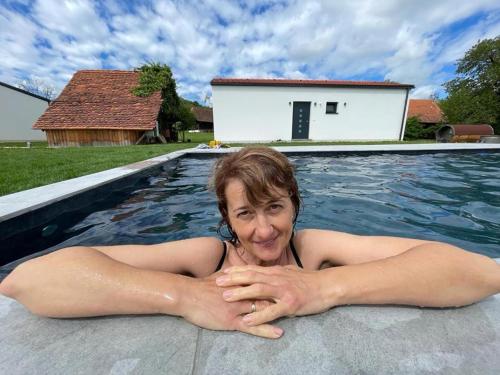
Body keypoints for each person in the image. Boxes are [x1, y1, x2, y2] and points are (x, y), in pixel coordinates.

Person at [0, 146, 499, 339]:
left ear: (295, 207)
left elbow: (479, 273)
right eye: (245, 213)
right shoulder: (206, 256)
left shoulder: (316, 249)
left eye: (276, 208)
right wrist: (183, 296)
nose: (263, 231)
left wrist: (326, 288)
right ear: (227, 218)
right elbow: (28, 279)